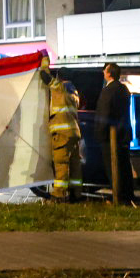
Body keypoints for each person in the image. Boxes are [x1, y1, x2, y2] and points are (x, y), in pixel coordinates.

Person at [94, 62, 135, 206]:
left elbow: (104, 114)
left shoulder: (108, 91)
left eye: (105, 70)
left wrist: (99, 133)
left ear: (109, 73)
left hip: (110, 137)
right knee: (125, 166)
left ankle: (118, 197)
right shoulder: (124, 89)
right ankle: (128, 195)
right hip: (124, 134)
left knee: (113, 167)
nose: (103, 73)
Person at [46, 72, 83, 202]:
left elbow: (44, 76)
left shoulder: (60, 87)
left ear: (58, 77)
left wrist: (44, 59)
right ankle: (76, 193)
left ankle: (59, 195)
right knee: (74, 165)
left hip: (62, 133)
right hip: (74, 132)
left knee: (61, 164)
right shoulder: (74, 91)